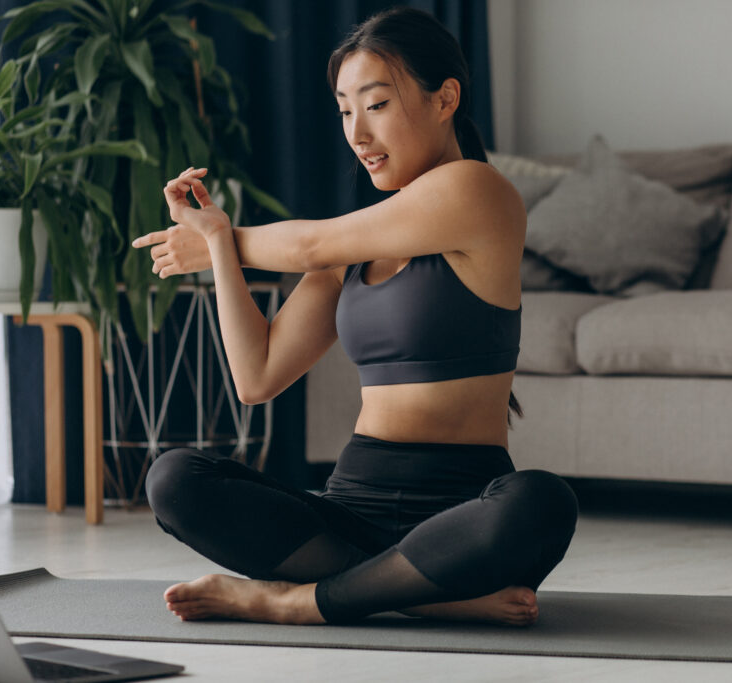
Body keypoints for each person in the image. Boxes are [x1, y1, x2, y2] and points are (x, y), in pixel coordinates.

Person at [132, 7, 578, 627]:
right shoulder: (353, 250)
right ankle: (421, 593)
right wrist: (219, 254)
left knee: (541, 501)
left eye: (376, 104)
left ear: (445, 97)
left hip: (463, 510)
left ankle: (297, 601)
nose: (357, 133)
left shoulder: (479, 191)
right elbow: (255, 379)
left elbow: (309, 245)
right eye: (344, 110)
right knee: (174, 477)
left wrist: (220, 239)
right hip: (350, 507)